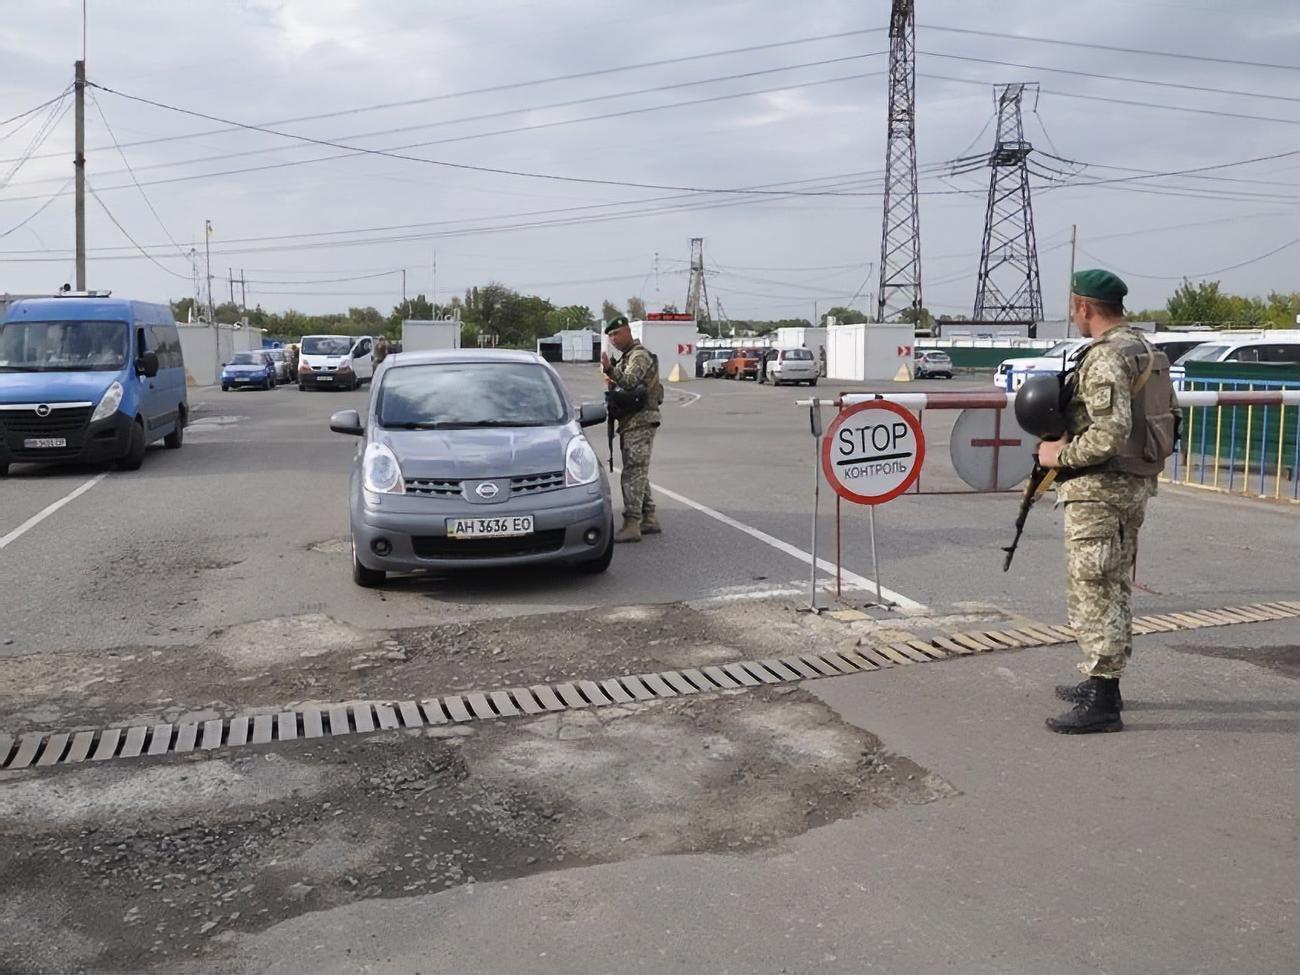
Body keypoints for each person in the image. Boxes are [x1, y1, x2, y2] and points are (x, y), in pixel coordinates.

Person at [1036, 269, 1177, 735]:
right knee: (1112, 584)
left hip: (1101, 489)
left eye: (1073, 307)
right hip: (1130, 485)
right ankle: (1105, 683)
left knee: (1094, 588)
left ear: (1084, 307)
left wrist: (1060, 455)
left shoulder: (1107, 358)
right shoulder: (1143, 348)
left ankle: (1101, 699)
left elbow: (1108, 434)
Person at [600, 316, 663, 543]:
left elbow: (629, 381)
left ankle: (632, 524)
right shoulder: (627, 356)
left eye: (616, 334)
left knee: (632, 472)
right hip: (632, 421)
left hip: (641, 420)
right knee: (637, 470)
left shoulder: (639, 355)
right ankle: (649, 518)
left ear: (628, 332)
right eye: (610, 336)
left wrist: (610, 369)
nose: (613, 339)